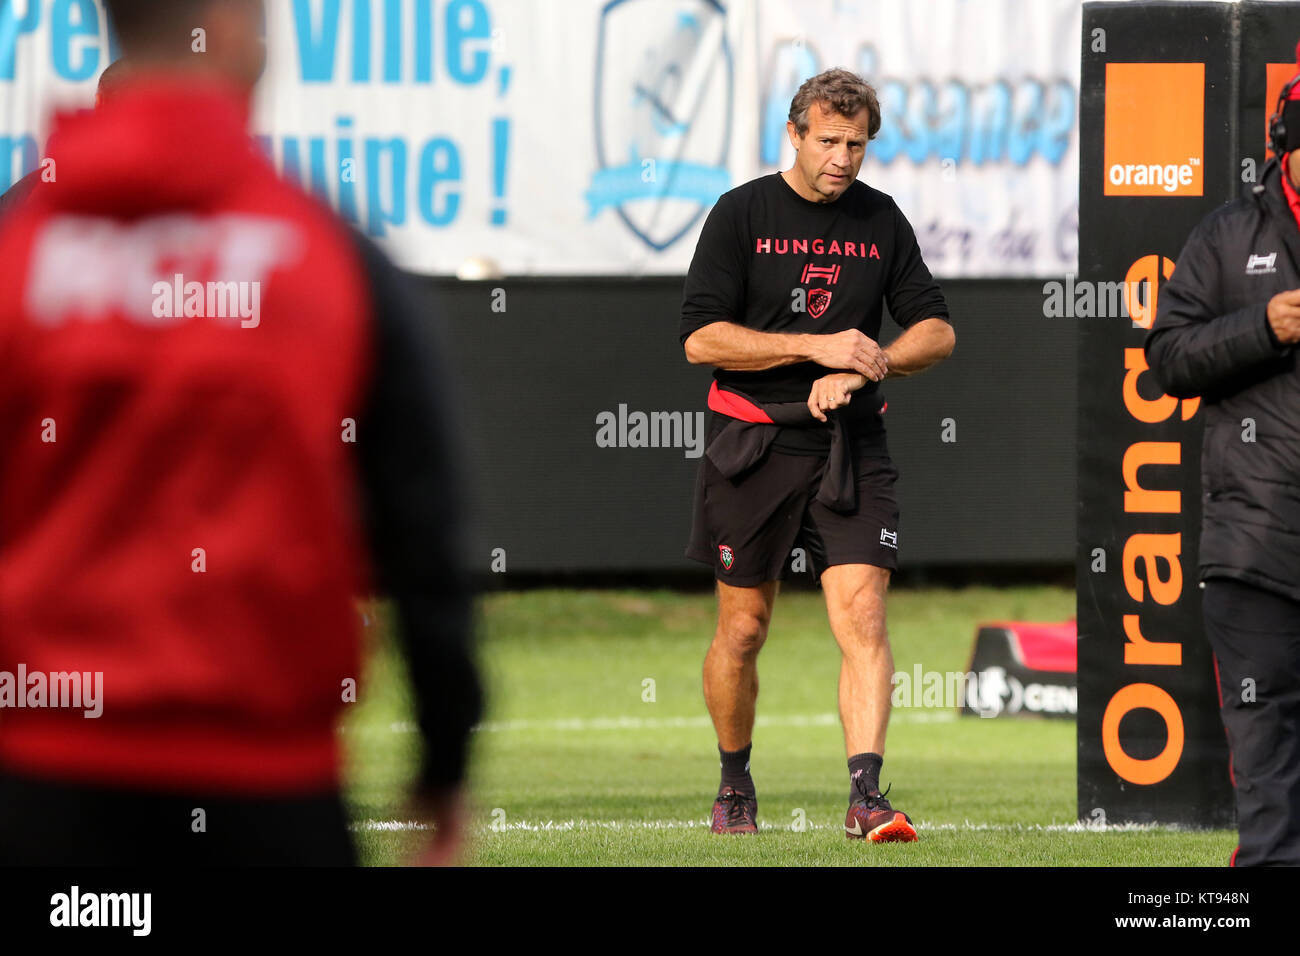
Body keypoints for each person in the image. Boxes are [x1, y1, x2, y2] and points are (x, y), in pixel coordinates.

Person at [0, 0, 480, 866]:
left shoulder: (17, 249)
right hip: (268, 793)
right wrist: (444, 757)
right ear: (228, 25)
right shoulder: (328, 252)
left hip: (41, 787)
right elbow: (424, 529)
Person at [680, 68, 955, 840]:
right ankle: (735, 784)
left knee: (864, 614)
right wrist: (814, 348)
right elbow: (702, 338)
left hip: (852, 446)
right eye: (828, 140)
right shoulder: (740, 214)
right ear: (794, 135)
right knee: (743, 631)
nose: (842, 157)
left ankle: (866, 795)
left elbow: (937, 328)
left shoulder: (882, 219)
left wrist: (872, 363)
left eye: (856, 144)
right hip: (753, 443)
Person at [1144, 47, 1300, 867]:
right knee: (1269, 767)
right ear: (1285, 144)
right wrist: (1263, 327)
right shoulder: (1228, 235)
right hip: (1258, 542)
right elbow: (1165, 360)